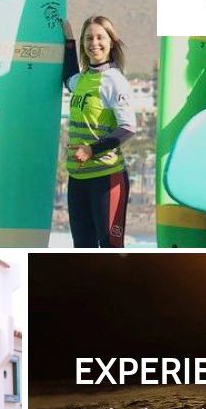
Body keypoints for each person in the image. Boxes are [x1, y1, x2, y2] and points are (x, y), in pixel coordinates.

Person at [63, 15, 136, 248]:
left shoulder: (115, 81)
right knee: (82, 246)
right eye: (89, 38)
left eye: (100, 37)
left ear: (112, 42)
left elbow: (128, 128)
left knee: (110, 248)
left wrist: (91, 149)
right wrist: (69, 42)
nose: (94, 43)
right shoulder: (83, 79)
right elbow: (68, 78)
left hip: (106, 177)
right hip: (78, 178)